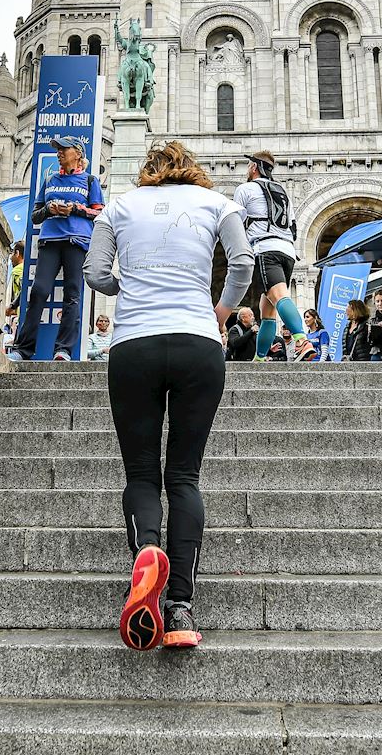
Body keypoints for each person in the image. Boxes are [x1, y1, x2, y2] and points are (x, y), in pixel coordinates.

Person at [84, 140, 253, 652]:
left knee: (140, 473)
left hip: (134, 343)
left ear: (147, 172)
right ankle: (179, 606)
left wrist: (127, 286)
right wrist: (221, 312)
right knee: (183, 476)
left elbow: (94, 274)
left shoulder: (118, 207)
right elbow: (244, 264)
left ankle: (148, 554)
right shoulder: (218, 204)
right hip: (198, 342)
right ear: (193, 170)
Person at [9, 137, 104, 361]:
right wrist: (50, 210)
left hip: (77, 242)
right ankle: (23, 349)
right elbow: (35, 216)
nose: (59, 153)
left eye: (64, 149)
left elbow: (99, 213)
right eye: (57, 150)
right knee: (39, 291)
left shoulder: (90, 181)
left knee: (72, 294)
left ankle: (63, 350)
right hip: (49, 241)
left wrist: (75, 209)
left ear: (78, 153)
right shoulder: (50, 179)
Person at [234, 151, 314, 361]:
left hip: (265, 249)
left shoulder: (245, 189)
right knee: (266, 311)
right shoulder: (282, 191)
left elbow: (236, 224)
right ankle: (260, 358)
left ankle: (301, 341)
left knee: (279, 297)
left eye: (248, 165)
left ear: (254, 168)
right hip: (287, 250)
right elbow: (293, 226)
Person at [5, 240, 25, 317]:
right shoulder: (28, 269)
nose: (10, 258)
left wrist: (12, 306)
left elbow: (25, 289)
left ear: (17, 253)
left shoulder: (18, 270)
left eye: (12, 253)